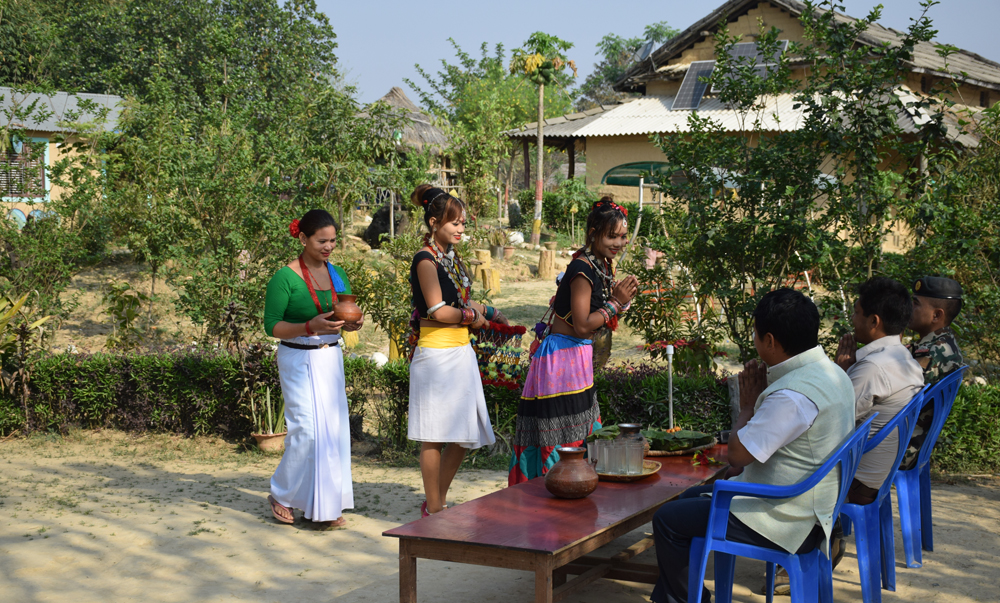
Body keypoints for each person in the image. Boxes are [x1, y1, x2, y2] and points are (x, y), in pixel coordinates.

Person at [651, 288, 854, 603]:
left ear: (770, 341)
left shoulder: (792, 395)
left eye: (756, 334)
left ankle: (687, 599)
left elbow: (737, 456)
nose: (755, 341)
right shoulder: (831, 374)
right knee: (688, 498)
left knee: (666, 520)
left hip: (786, 518)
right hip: (814, 507)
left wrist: (747, 406)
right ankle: (679, 596)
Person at [507, 198, 638, 485]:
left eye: (622, 236)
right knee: (561, 439)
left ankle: (571, 491)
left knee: (577, 435)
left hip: (576, 359)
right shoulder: (582, 268)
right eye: (612, 236)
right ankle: (552, 495)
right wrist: (616, 303)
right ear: (593, 233)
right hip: (562, 360)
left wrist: (618, 301)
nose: (619, 243)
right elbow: (582, 325)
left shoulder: (599, 264)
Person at [408, 185, 508, 516]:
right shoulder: (425, 260)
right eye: (455, 223)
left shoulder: (449, 257)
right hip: (436, 355)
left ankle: (435, 500)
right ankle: (436, 508)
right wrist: (473, 318)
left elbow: (461, 301)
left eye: (463, 223)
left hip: (460, 353)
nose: (461, 228)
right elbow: (439, 310)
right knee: (434, 436)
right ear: (434, 222)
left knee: (464, 435)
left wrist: (490, 313)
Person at [262, 209, 362, 529]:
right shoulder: (284, 277)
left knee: (332, 432)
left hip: (330, 357)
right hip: (297, 357)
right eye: (322, 241)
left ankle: (324, 507)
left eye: (333, 240)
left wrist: (352, 323)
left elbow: (343, 314)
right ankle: (281, 494)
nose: (329, 247)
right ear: (303, 238)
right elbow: (272, 326)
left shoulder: (337, 274)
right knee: (306, 429)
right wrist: (308, 326)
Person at [834, 277, 924, 506]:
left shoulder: (874, 368)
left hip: (852, 481)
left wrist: (840, 373)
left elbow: (831, 422)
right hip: (876, 479)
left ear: (874, 321)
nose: (852, 319)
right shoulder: (906, 360)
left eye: (856, 312)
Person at [900, 276, 964, 470]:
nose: (909, 308)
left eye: (916, 303)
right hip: (908, 441)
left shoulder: (933, 352)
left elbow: (895, 395)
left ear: (936, 315)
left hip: (903, 447)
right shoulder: (939, 344)